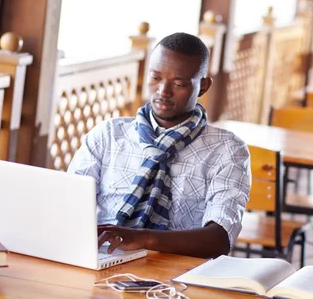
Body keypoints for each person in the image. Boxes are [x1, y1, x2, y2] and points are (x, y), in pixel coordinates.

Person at [67, 32, 251, 258]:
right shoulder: (108, 135)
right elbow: (67, 204)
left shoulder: (227, 150)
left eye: (179, 83)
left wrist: (142, 238)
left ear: (203, 86)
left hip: (179, 274)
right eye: (155, 78)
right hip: (103, 259)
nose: (163, 91)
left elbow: (219, 239)